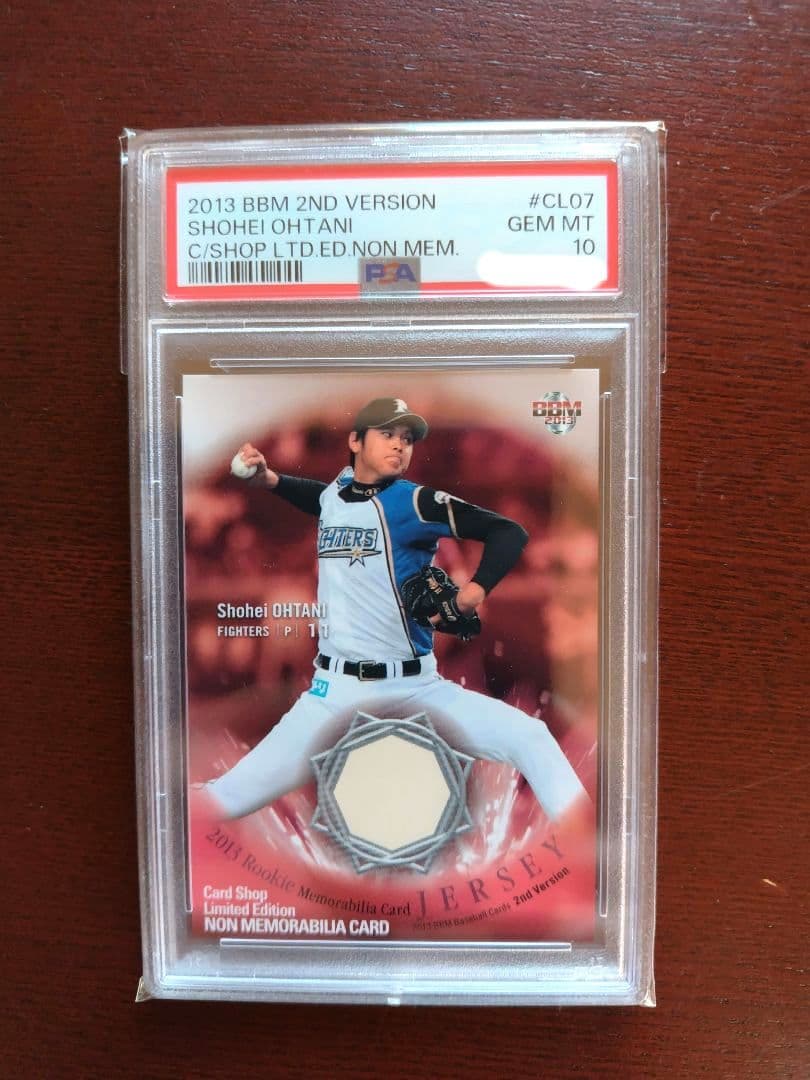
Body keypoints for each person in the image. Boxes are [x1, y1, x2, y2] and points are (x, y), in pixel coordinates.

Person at [206, 397, 587, 822]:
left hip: (414, 689)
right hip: (335, 693)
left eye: (406, 438)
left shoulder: (415, 503)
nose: (399, 444)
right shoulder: (335, 498)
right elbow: (318, 496)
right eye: (387, 434)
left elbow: (507, 533)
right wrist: (270, 480)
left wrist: (472, 593)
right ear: (355, 441)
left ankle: (588, 850)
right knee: (222, 802)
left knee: (531, 737)